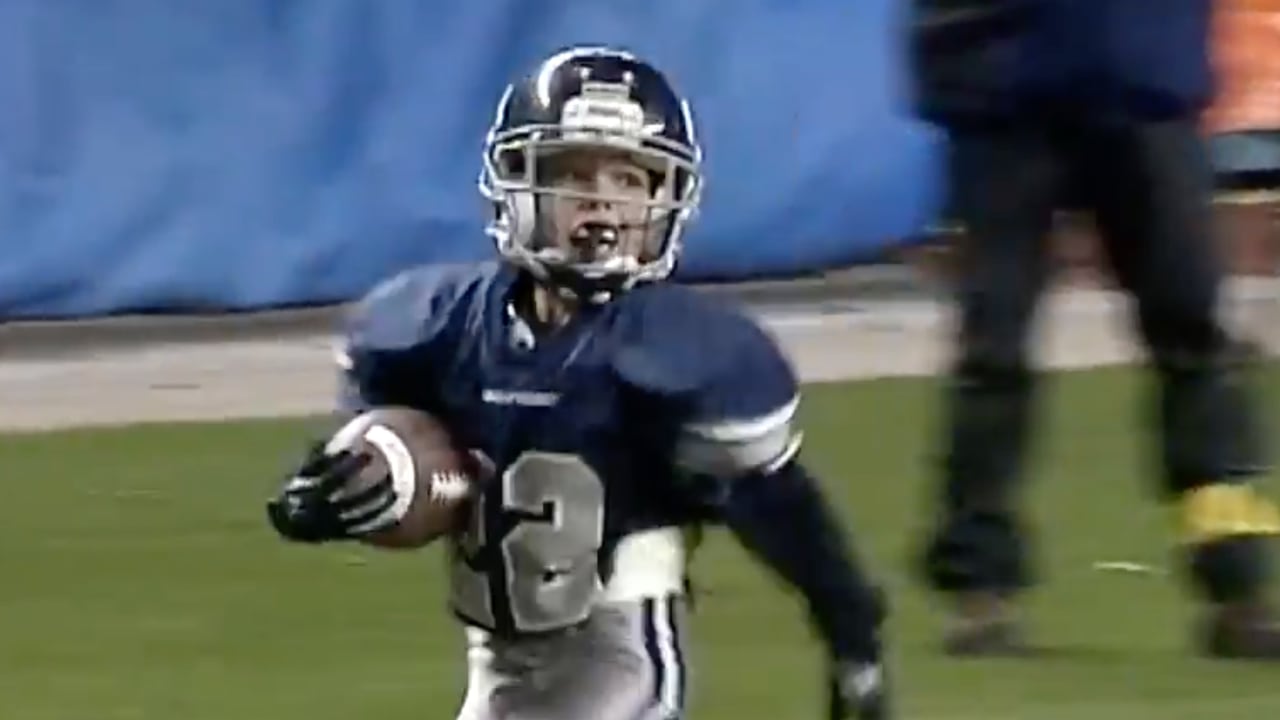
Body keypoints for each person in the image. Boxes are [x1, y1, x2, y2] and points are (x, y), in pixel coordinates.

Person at [266, 46, 891, 718]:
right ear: (518, 184)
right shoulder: (439, 327)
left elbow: (781, 509)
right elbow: (400, 463)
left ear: (666, 198)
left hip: (617, 656)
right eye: (573, 174)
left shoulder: (678, 351)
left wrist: (851, 631)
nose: (602, 200)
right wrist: (335, 493)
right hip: (497, 663)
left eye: (628, 179)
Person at [909, 0, 1280, 657]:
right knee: (997, 348)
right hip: (1010, 92)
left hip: (1133, 79)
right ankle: (981, 591)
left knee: (1191, 336)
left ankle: (1237, 584)